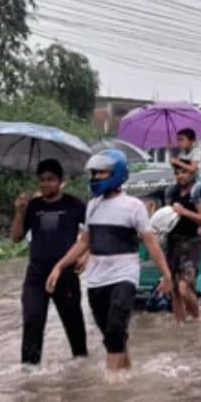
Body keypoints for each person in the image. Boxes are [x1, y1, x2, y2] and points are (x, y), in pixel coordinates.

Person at [48, 151, 172, 372]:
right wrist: (59, 266)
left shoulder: (134, 206)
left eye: (101, 173)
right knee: (111, 337)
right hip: (96, 281)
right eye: (94, 173)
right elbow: (84, 242)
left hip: (124, 276)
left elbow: (151, 243)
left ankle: (112, 384)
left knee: (115, 329)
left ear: (116, 174)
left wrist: (166, 275)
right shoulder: (92, 206)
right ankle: (126, 373)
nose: (95, 178)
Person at [9, 158, 88, 366]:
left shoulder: (74, 204)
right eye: (42, 180)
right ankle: (29, 371)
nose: (45, 184)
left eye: (51, 179)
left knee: (74, 325)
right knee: (32, 322)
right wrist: (19, 211)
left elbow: (93, 233)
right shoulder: (32, 206)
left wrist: (85, 255)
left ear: (61, 181)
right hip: (36, 274)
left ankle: (81, 369)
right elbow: (16, 237)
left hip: (66, 274)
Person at [165, 166, 201, 323]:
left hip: (192, 242)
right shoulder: (172, 192)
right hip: (173, 242)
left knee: (184, 287)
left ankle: (196, 321)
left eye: (184, 172)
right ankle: (181, 327)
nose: (180, 175)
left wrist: (185, 212)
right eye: (177, 172)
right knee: (174, 290)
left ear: (192, 172)